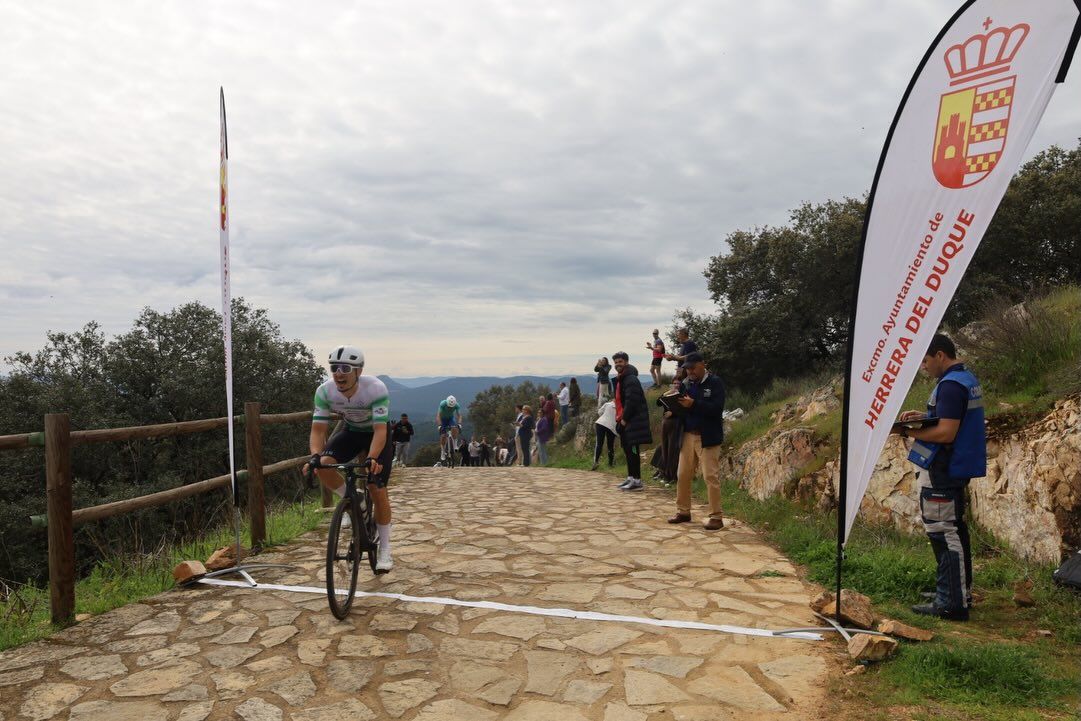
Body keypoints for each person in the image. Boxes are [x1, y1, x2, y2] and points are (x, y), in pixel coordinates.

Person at [893, 333, 985, 622]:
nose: (923, 366)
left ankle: (951, 603)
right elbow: (952, 419)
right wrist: (925, 415)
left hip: (942, 468)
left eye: (925, 359)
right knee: (955, 529)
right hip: (956, 466)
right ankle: (958, 592)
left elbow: (946, 433)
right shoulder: (965, 380)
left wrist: (905, 431)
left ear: (940, 355)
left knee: (943, 531)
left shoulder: (950, 385)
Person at [305, 345, 395, 573]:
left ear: (358, 371)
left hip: (377, 434)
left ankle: (385, 549)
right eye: (334, 367)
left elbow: (380, 431)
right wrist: (315, 456)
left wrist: (372, 458)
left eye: (346, 368)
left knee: (376, 485)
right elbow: (318, 431)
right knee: (323, 466)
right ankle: (354, 499)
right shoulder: (324, 392)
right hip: (351, 432)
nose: (339, 373)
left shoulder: (375, 389)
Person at [668, 353, 726, 531]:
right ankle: (683, 511)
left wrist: (693, 404)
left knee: (710, 476)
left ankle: (716, 517)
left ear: (703, 365)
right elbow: (684, 407)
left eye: (693, 367)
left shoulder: (715, 383)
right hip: (687, 435)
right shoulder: (686, 384)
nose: (690, 371)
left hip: (707, 436)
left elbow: (716, 409)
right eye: (687, 368)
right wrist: (673, 407)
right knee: (683, 474)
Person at [613, 351, 652, 491]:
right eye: (616, 362)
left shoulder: (630, 379)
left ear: (626, 362)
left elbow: (632, 401)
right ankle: (631, 478)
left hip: (633, 421)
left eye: (620, 362)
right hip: (627, 420)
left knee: (633, 451)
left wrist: (624, 420)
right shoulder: (622, 378)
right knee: (628, 451)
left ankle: (637, 481)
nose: (618, 364)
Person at [651, 376, 684, 486]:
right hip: (666, 423)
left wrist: (673, 413)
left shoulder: (683, 395)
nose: (676, 385)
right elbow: (658, 403)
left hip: (676, 424)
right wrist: (666, 393)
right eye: (674, 383)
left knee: (671, 450)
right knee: (664, 448)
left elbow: (684, 410)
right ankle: (663, 472)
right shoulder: (669, 393)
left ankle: (670, 475)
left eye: (678, 383)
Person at [591, 399, 617, 471]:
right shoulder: (621, 407)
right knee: (610, 445)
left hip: (601, 423)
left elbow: (599, 412)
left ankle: (596, 462)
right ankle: (610, 463)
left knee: (599, 443)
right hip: (612, 427)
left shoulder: (607, 404)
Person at [436, 395, 462, 462]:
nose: (450, 408)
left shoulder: (456, 405)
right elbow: (438, 416)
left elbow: (459, 416)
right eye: (449, 406)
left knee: (455, 428)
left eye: (451, 407)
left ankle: (455, 444)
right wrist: (439, 425)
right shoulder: (443, 404)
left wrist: (459, 424)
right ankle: (443, 451)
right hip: (443, 419)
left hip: (450, 418)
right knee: (443, 436)